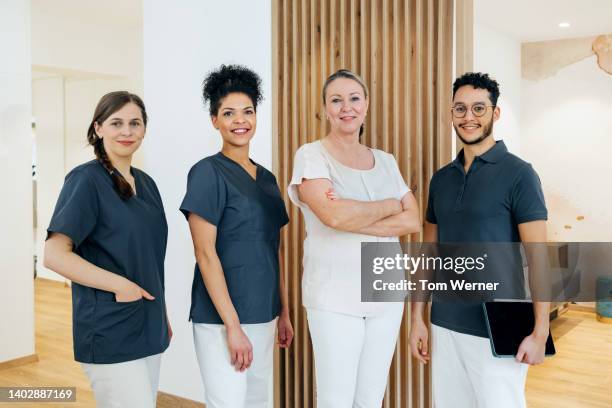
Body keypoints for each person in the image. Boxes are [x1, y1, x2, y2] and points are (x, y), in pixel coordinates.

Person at [409, 72, 549, 408]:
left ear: (495, 114)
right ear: (451, 113)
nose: (468, 117)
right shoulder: (441, 180)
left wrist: (540, 331)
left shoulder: (520, 174)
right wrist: (417, 319)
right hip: (446, 323)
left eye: (478, 108)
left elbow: (539, 258)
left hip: (500, 326)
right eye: (460, 109)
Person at [288, 69, 421, 408]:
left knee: (370, 399)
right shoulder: (311, 155)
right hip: (334, 295)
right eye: (336, 100)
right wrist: (391, 205)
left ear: (366, 105)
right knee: (336, 399)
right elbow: (332, 216)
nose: (346, 107)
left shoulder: (387, 162)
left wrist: (350, 217)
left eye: (354, 98)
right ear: (325, 108)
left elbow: (413, 220)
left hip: (386, 293)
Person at [44, 91, 171, 408]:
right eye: (116, 123)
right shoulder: (86, 181)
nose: (127, 131)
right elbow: (54, 254)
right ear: (98, 128)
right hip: (109, 326)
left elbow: (148, 257)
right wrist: (121, 285)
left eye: (135, 123)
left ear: (144, 129)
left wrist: (160, 313)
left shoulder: (147, 184)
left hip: (149, 322)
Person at [180, 64, 293, 408]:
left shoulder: (269, 179)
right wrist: (232, 326)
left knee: (257, 402)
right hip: (221, 320)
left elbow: (276, 250)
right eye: (228, 113)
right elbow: (205, 254)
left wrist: (284, 311)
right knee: (228, 402)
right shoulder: (206, 173)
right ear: (214, 120)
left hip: (265, 314)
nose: (240, 120)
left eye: (247, 112)